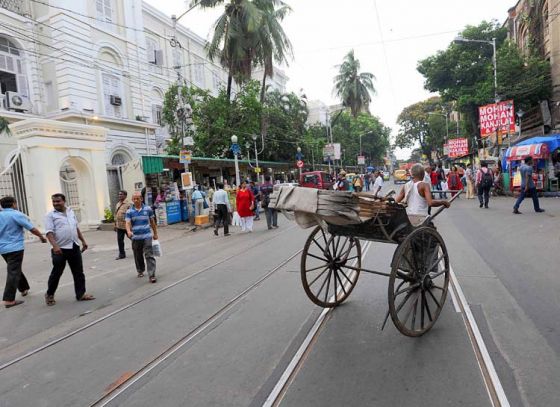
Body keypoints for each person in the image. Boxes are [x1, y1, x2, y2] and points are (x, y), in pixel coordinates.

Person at [44, 193, 95, 306]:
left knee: (78, 272)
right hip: (60, 249)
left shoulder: (71, 212)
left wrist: (83, 241)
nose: (56, 203)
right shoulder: (50, 215)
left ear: (64, 201)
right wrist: (55, 246)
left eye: (58, 201)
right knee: (56, 273)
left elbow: (75, 228)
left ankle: (81, 294)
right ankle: (50, 294)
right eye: (54, 201)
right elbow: (49, 232)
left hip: (74, 246)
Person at [0, 196, 47, 308]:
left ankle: (23, 288)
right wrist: (41, 237)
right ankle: (9, 300)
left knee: (14, 269)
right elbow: (31, 228)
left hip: (3, 248)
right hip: (15, 248)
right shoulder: (16, 214)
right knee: (13, 271)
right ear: (13, 204)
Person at [126, 191, 159, 282]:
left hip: (147, 236)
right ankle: (140, 270)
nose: (136, 200)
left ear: (141, 199)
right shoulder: (129, 211)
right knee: (138, 255)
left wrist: (155, 233)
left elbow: (152, 222)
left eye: (138, 198)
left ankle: (152, 275)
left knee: (149, 255)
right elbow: (127, 223)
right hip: (136, 237)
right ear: (132, 200)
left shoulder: (148, 209)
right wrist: (128, 231)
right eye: (134, 199)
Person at [114, 190, 130, 260]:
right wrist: (115, 225)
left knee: (134, 239)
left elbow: (131, 215)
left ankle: (140, 249)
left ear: (125, 196)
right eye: (119, 194)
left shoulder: (129, 204)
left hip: (126, 226)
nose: (120, 195)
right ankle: (122, 254)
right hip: (119, 226)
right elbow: (116, 215)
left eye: (121, 194)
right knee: (120, 240)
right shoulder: (117, 204)